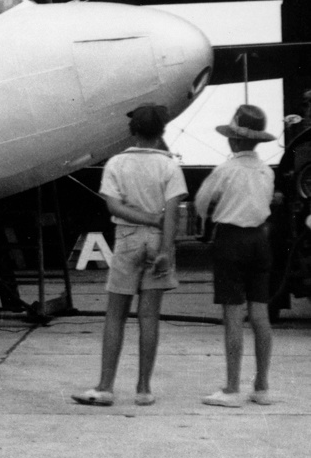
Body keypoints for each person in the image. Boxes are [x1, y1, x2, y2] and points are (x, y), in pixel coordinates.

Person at [72, 103, 186, 406]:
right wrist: (165, 249)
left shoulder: (117, 164)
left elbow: (113, 206)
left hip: (127, 239)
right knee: (149, 316)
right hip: (157, 240)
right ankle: (144, 388)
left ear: (132, 131)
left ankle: (105, 386)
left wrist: (142, 219)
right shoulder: (170, 165)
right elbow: (173, 213)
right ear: (161, 132)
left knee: (115, 315)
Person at [195, 103, 277, 407]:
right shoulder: (266, 171)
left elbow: (202, 203)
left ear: (235, 139)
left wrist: (212, 213)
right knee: (260, 314)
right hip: (259, 239)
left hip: (231, 239)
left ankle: (231, 388)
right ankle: (262, 385)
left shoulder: (226, 170)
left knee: (232, 314)